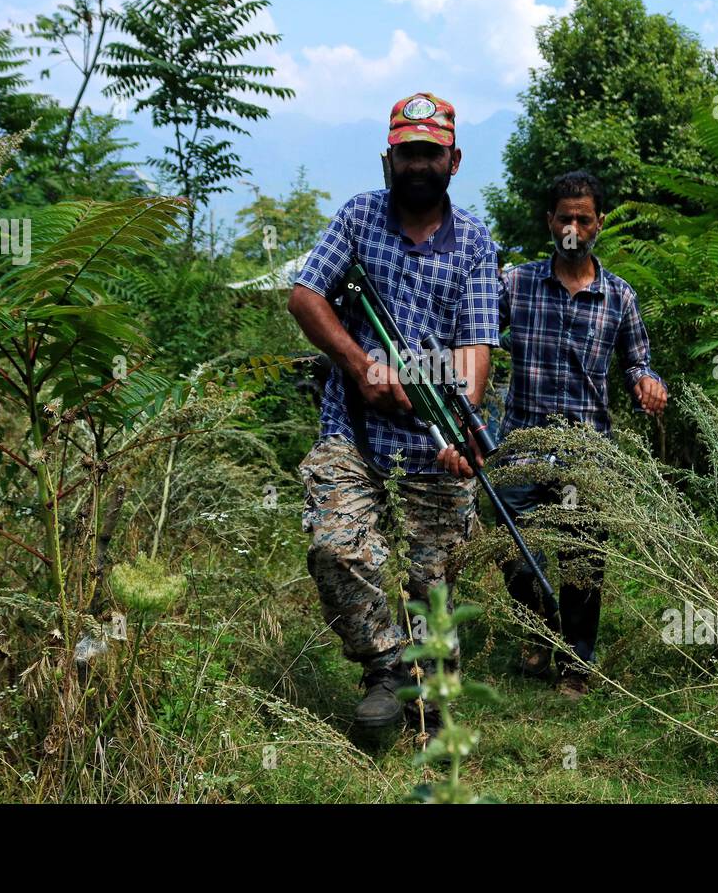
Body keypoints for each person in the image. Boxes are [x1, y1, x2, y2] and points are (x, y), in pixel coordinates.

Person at [286, 92, 499, 735]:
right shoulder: (356, 217)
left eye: (429, 152)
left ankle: (424, 685)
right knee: (335, 547)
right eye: (407, 151)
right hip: (351, 429)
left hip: (432, 442)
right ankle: (382, 666)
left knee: (430, 592)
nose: (417, 164)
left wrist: (457, 421)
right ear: (390, 156)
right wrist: (360, 366)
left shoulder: (476, 243)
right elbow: (304, 297)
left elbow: (476, 350)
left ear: (453, 160)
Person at [496, 170, 668, 699]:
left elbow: (639, 361)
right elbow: (473, 335)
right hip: (521, 443)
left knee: (583, 560)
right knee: (514, 550)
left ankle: (576, 664)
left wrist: (648, 383)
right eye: (564, 217)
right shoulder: (516, 284)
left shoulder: (619, 297)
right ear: (550, 221)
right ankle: (537, 629)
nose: (573, 227)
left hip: (587, 453)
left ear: (599, 224)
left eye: (584, 218)